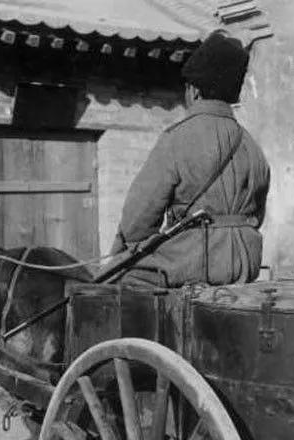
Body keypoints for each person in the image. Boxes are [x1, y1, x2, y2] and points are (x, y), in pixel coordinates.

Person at [109, 32, 271, 288]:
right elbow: (257, 215)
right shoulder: (253, 146)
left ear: (194, 91)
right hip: (245, 261)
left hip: (194, 262)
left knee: (114, 280)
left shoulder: (176, 139)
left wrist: (124, 251)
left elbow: (137, 220)